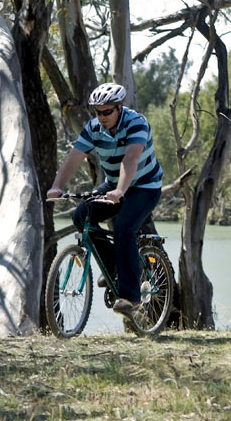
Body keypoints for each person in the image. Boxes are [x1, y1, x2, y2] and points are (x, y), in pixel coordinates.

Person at [47, 82, 163, 316]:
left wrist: (121, 190)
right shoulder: (93, 128)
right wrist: (57, 186)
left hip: (144, 186)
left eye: (107, 112)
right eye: (97, 112)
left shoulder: (136, 123)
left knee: (123, 228)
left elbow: (130, 159)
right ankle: (113, 265)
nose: (102, 117)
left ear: (119, 108)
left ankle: (130, 297)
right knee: (81, 217)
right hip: (113, 185)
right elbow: (74, 157)